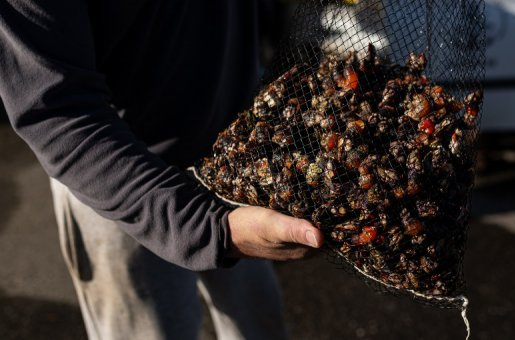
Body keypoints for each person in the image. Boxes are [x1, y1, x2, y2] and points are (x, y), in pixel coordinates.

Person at [0, 1, 323, 339]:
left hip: (243, 160)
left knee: (258, 320)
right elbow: (58, 114)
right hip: (123, 188)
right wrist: (209, 229)